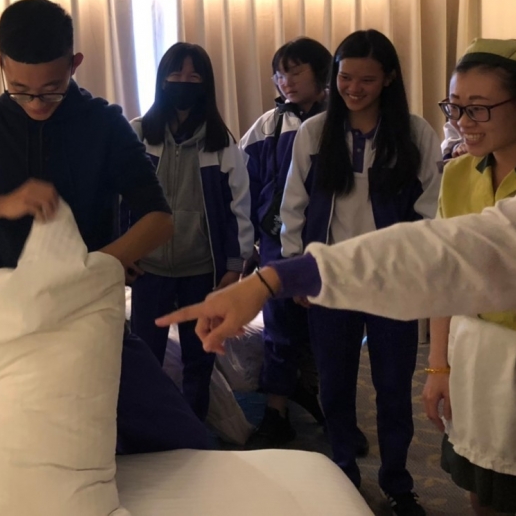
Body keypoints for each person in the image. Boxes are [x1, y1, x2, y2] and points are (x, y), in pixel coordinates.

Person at [0, 0, 210, 454]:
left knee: (184, 445)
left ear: (74, 63)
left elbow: (159, 219)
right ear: (0, 64)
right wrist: (2, 204)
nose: (36, 102)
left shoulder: (103, 123)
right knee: (26, 455)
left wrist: (95, 266)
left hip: (88, 312)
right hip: (8, 324)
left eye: (52, 88)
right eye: (20, 89)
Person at [154, 175, 516, 514]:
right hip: (354, 292)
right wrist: (274, 279)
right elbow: (439, 255)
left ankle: (396, 482)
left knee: (394, 389)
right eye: (459, 109)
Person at [278, 29, 440, 516]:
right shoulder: (314, 133)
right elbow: (293, 207)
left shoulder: (414, 133)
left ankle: (397, 483)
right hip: (331, 279)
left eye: (366, 80)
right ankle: (344, 474)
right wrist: (298, 270)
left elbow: (432, 208)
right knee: (335, 385)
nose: (353, 88)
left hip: (393, 282)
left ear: (389, 79)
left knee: (393, 387)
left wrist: (417, 269)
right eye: (345, 77)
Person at [425, 39, 516, 516]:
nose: (462, 122)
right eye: (455, 107)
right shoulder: (456, 176)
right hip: (473, 352)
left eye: (479, 109)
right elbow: (445, 276)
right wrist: (438, 366)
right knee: (482, 486)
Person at [125, 42, 253, 422]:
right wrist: (122, 253)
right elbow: (116, 198)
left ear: (206, 84)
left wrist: (236, 265)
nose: (184, 81)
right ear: (162, 80)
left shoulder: (221, 142)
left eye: (194, 76)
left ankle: (194, 432)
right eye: (176, 74)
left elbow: (239, 208)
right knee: (146, 360)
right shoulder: (138, 133)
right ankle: (150, 432)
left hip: (202, 272)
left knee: (200, 360)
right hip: (149, 271)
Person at [239, 36, 332, 444]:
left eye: (295, 72)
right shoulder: (268, 126)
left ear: (321, 74)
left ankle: (337, 414)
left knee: (330, 334)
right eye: (279, 74)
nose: (286, 82)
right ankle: (276, 414)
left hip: (329, 244)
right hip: (277, 245)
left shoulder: (340, 123)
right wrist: (248, 243)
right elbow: (244, 184)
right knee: (279, 331)